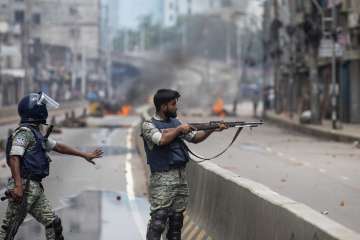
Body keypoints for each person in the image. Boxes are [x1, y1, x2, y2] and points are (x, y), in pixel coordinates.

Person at [0, 92, 103, 240]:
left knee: (53, 223)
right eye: (42, 107)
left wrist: (84, 155)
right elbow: (14, 157)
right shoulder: (24, 133)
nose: (45, 110)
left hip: (34, 189)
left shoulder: (36, 133)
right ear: (35, 110)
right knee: (8, 231)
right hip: (24, 187)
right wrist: (18, 186)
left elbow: (59, 147)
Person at [141, 89, 226, 240]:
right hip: (162, 178)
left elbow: (195, 138)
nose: (176, 107)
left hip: (180, 178)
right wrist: (179, 130)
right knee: (158, 221)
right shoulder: (148, 125)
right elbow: (161, 140)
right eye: (173, 104)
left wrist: (212, 129)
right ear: (163, 106)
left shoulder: (176, 122)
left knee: (176, 222)